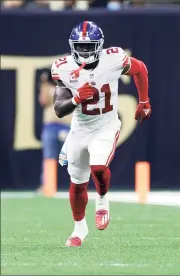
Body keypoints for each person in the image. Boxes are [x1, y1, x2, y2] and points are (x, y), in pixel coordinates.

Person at [51, 21, 151, 247]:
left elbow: (140, 69)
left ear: (100, 45)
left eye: (89, 46)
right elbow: (59, 109)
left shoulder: (113, 58)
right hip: (80, 129)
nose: (84, 51)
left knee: (98, 167)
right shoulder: (64, 67)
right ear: (72, 45)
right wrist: (76, 98)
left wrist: (144, 100)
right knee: (77, 183)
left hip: (106, 125)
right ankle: (79, 228)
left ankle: (103, 200)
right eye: (80, 46)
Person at [38, 69, 71, 196]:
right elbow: (43, 101)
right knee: (49, 156)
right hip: (51, 126)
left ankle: (78, 184)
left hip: (67, 126)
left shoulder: (71, 87)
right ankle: (46, 185)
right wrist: (44, 83)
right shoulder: (49, 87)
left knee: (73, 156)